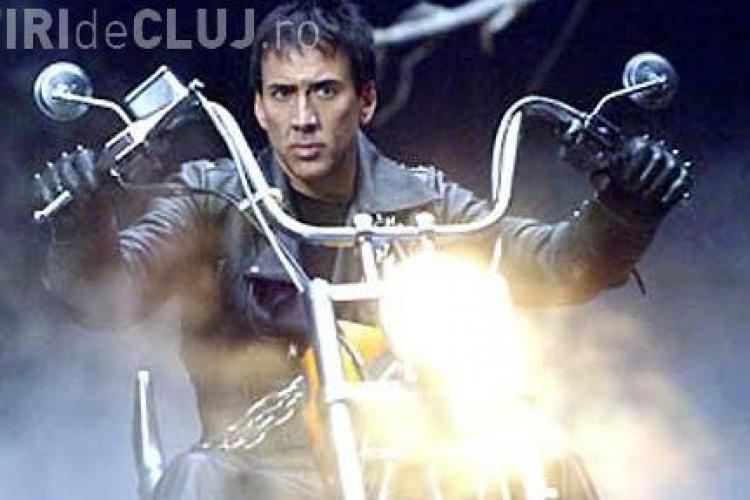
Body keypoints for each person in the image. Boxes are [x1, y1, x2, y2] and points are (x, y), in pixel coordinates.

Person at [35, 1, 692, 498]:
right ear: (259, 108)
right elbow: (106, 296)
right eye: (283, 93)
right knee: (197, 479)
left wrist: (626, 205)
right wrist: (83, 226)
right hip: (265, 468)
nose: (304, 117)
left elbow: (553, 263)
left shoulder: (422, 200)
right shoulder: (213, 198)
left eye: (325, 90)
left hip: (413, 448)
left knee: (541, 451)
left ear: (365, 99)